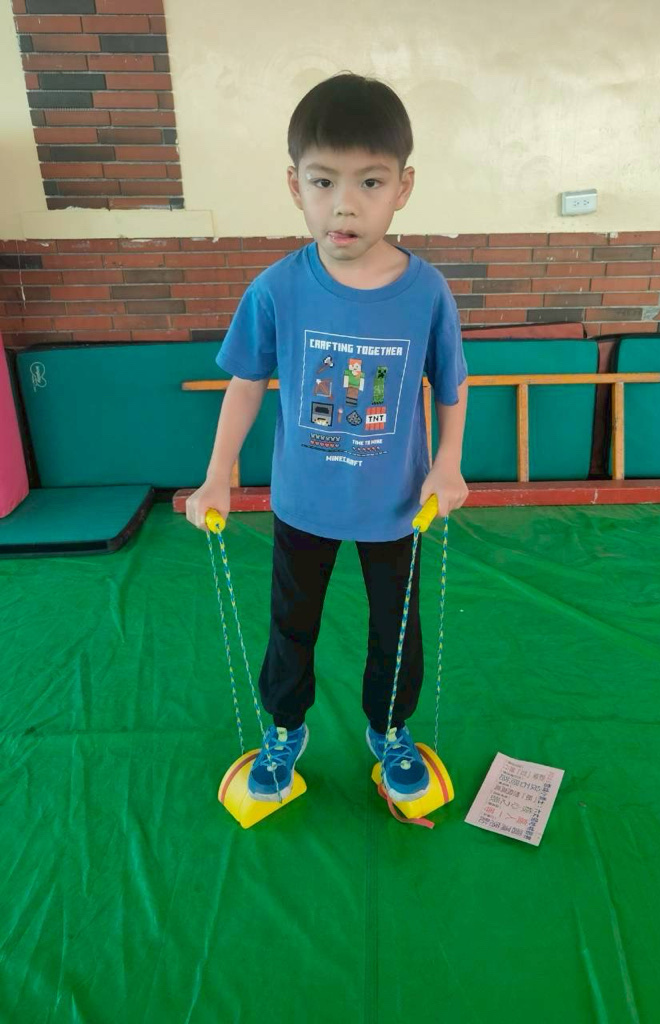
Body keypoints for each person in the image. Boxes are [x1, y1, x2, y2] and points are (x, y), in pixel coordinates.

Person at [186, 71, 469, 804]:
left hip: (396, 508)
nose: (345, 204)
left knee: (395, 629)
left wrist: (447, 464)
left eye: (370, 182)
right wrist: (217, 474)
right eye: (323, 181)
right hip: (303, 503)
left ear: (403, 187)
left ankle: (391, 730)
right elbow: (246, 381)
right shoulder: (277, 288)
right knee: (292, 625)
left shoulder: (427, 291)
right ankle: (285, 727)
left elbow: (451, 383)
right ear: (295, 185)